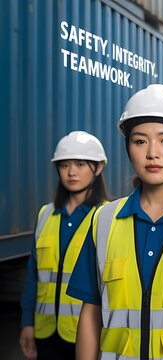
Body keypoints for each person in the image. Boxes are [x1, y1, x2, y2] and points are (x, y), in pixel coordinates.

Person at [66, 84, 163, 359]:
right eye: (140, 141)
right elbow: (91, 312)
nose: (152, 153)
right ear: (128, 148)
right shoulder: (104, 221)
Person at [19, 131, 109, 360]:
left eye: (80, 164)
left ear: (98, 168)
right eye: (64, 165)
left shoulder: (108, 216)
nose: (71, 172)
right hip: (46, 332)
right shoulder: (45, 214)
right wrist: (27, 323)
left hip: (88, 333)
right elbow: (33, 276)